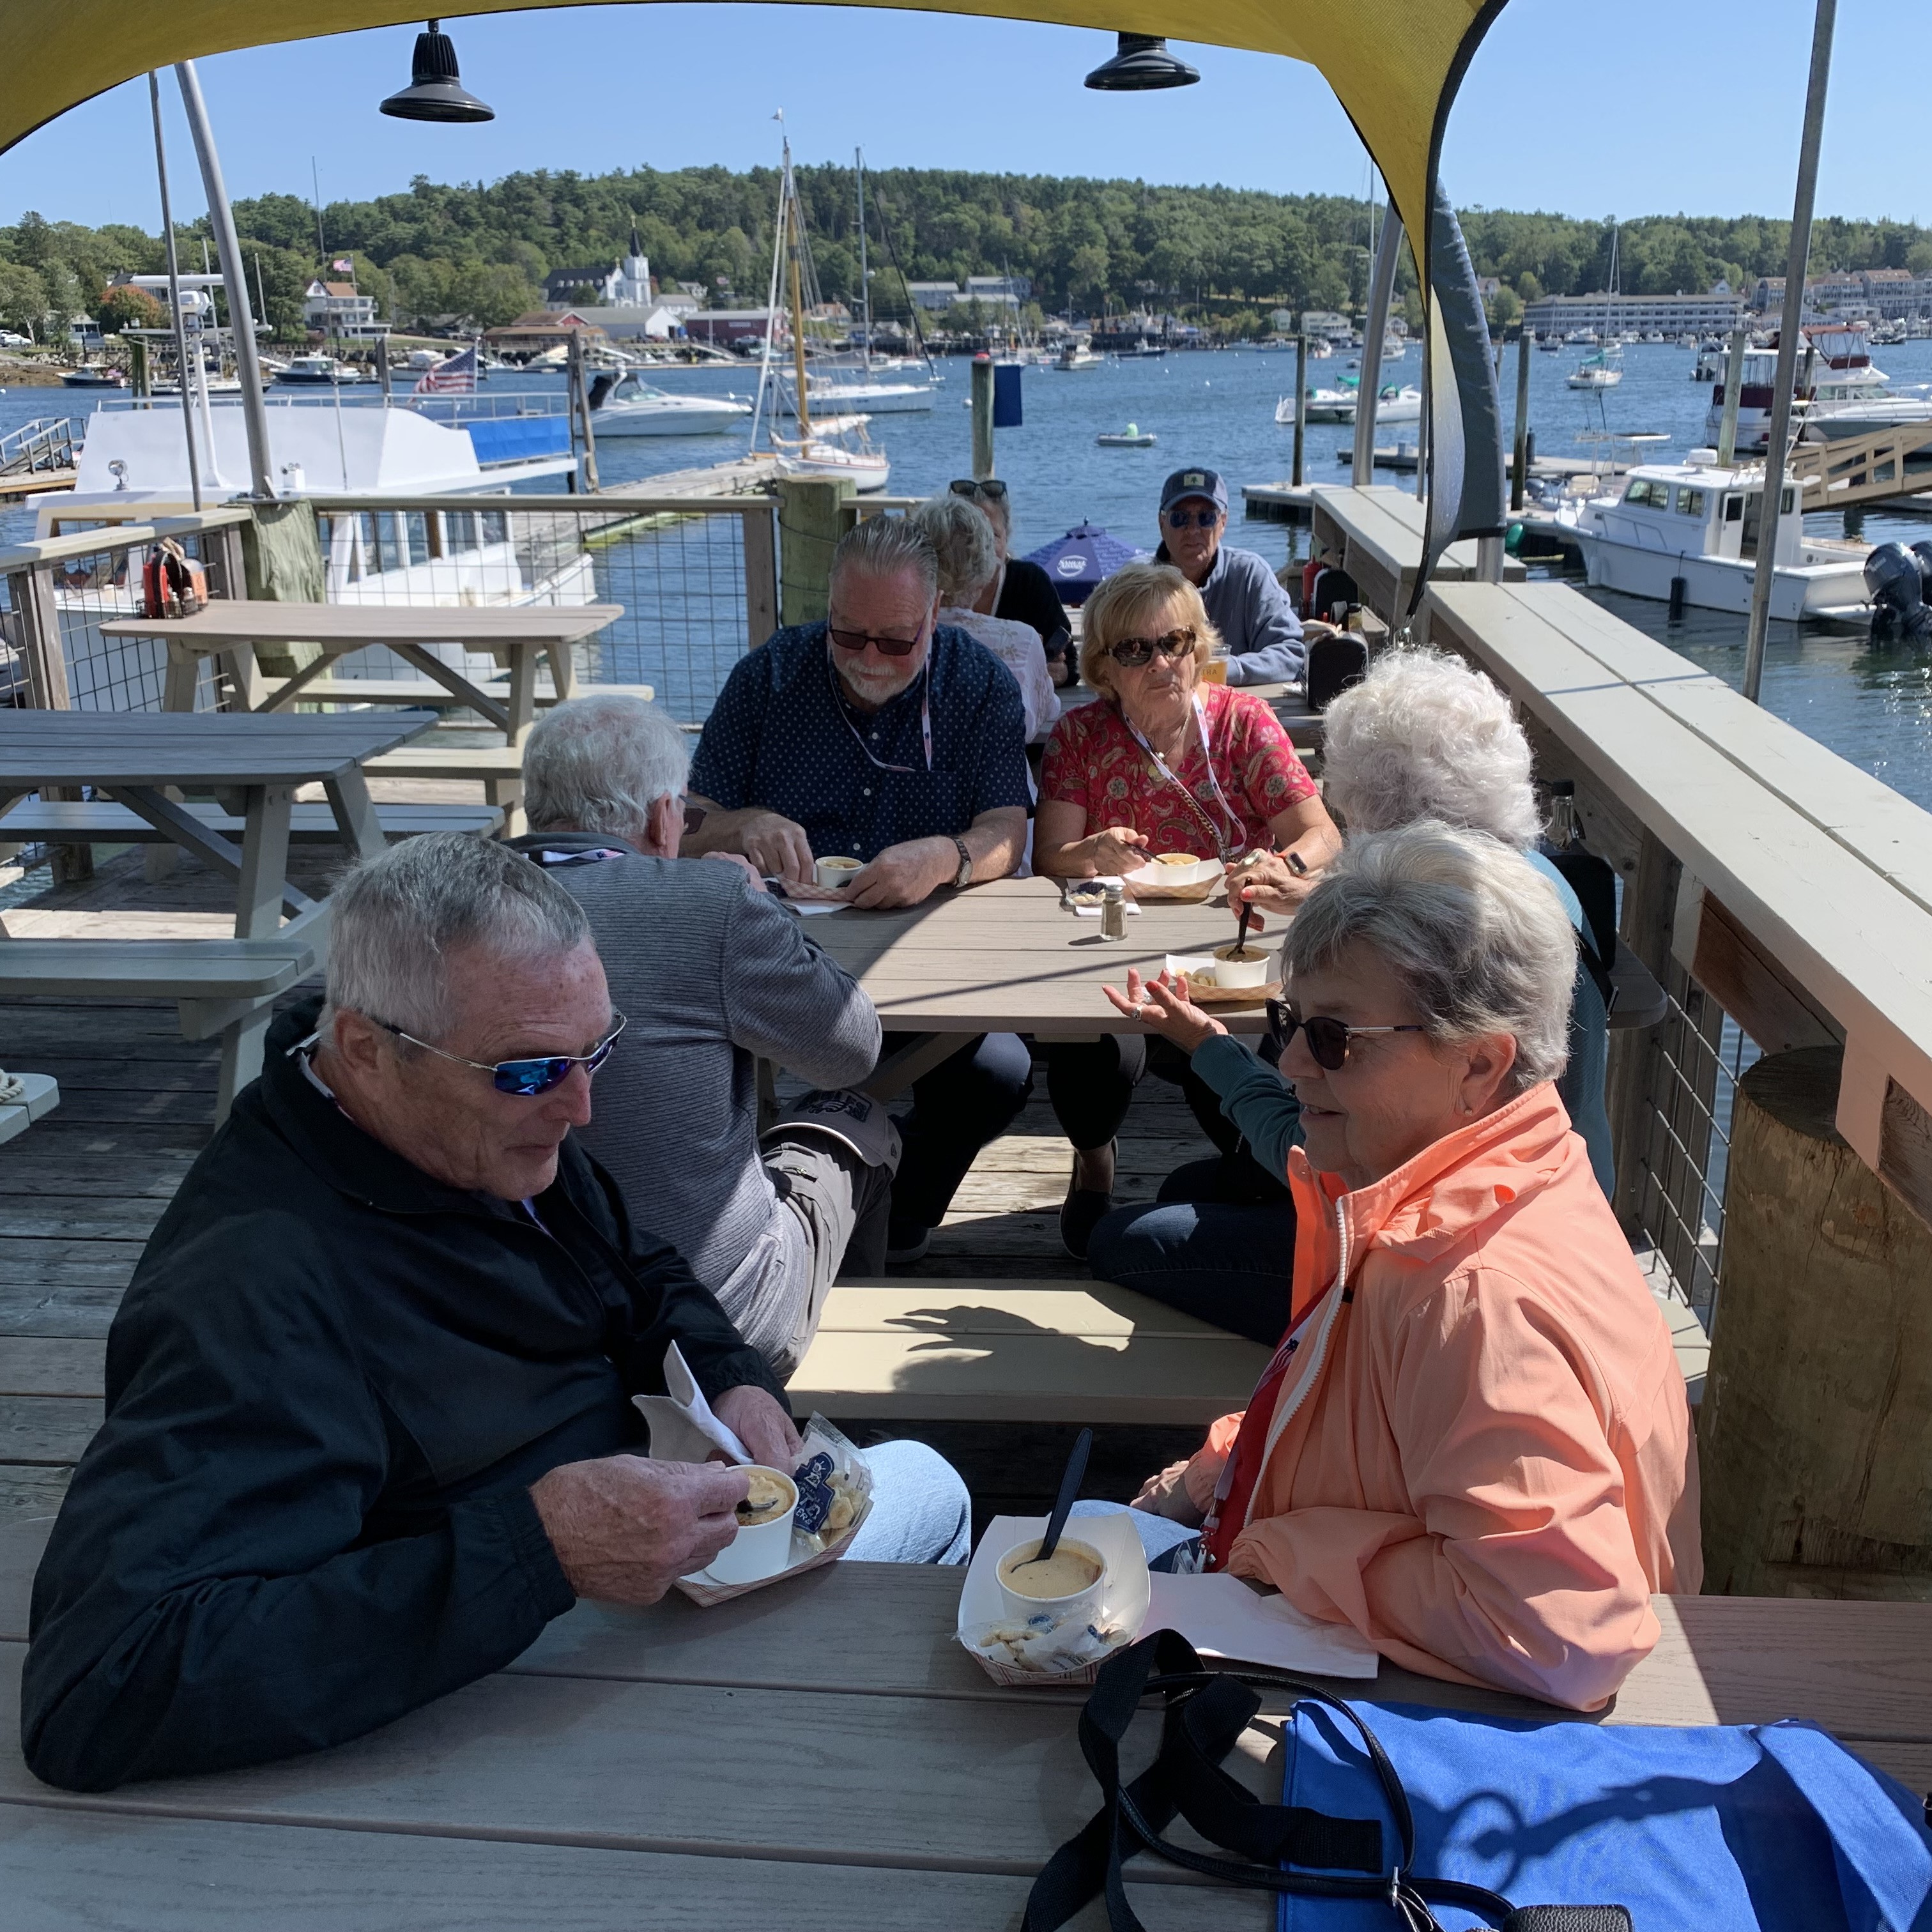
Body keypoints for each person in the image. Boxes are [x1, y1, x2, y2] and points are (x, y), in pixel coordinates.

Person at [21, 836, 969, 1793]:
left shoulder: (457, 1128)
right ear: (366, 1049)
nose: (582, 1105)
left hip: (607, 1569)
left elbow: (640, 1271)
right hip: (496, 1677)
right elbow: (99, 1686)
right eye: (529, 1070)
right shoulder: (252, 1290)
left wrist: (731, 1377)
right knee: (934, 1487)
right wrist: (540, 1550)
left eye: (597, 1048)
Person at [1096, 824, 1701, 1712]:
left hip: (1412, 1706)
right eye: (1291, 1023)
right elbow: (1356, 1412)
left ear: (1479, 1063)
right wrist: (1216, 1471)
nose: (1292, 1063)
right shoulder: (1506, 1176)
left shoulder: (1471, 1294)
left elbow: (1562, 1634)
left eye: (1334, 1038)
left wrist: (1277, 1550)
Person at [1089, 649, 1618, 1338]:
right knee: (1193, 1189)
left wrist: (1208, 1047)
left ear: (1375, 804)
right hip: (1557, 1202)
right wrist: (1317, 898)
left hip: (1437, 1256)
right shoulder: (1537, 882)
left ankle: (1319, 1361)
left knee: (1123, 1239)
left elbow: (1320, 1154)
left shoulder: (1435, 942)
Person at [509, 691, 894, 1378]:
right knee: (857, 1118)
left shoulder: (438, 904)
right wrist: (760, 909)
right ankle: (833, 1387)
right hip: (709, 1327)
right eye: (685, 813)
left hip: (510, 1316)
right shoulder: (710, 903)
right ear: (664, 816)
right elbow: (852, 1050)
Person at [684, 516, 1034, 1263]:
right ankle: (766, 1219)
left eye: (896, 641)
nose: (870, 658)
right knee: (692, 1058)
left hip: (929, 957)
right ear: (829, 608)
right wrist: (741, 824)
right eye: (848, 635)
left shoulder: (978, 684)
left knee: (996, 1074)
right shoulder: (769, 676)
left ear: (935, 613)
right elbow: (686, 823)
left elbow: (1008, 827)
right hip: (779, 960)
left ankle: (898, 1213)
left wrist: (946, 856)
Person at [1033, 559, 1339, 1257]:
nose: (1161, 663)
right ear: (1104, 666)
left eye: (1174, 642)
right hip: (1116, 944)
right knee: (1092, 1053)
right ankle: (1095, 1160)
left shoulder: (1242, 722)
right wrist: (1092, 851)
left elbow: (1322, 835)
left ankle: (1252, 1180)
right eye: (1135, 649)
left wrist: (1284, 866)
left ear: (1197, 647)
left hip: (1226, 944)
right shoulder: (1081, 736)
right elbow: (1050, 856)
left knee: (1234, 1056)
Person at [909, 492, 1060, 742]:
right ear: (984, 572)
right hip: (998, 768)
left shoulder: (889, 638)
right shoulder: (1022, 640)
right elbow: (1043, 712)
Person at [1152, 466, 1305, 686]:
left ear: (1223, 523)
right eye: (1180, 518)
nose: (1193, 529)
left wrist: (1222, 669)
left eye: (1206, 518)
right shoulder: (1137, 585)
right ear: (1162, 524)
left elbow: (1292, 653)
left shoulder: (1251, 575)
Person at [949, 477, 1075, 686]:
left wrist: (1058, 673)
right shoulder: (933, 585)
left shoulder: (1030, 582)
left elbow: (1070, 662)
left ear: (1007, 537)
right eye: (970, 535)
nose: (981, 546)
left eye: (992, 535)